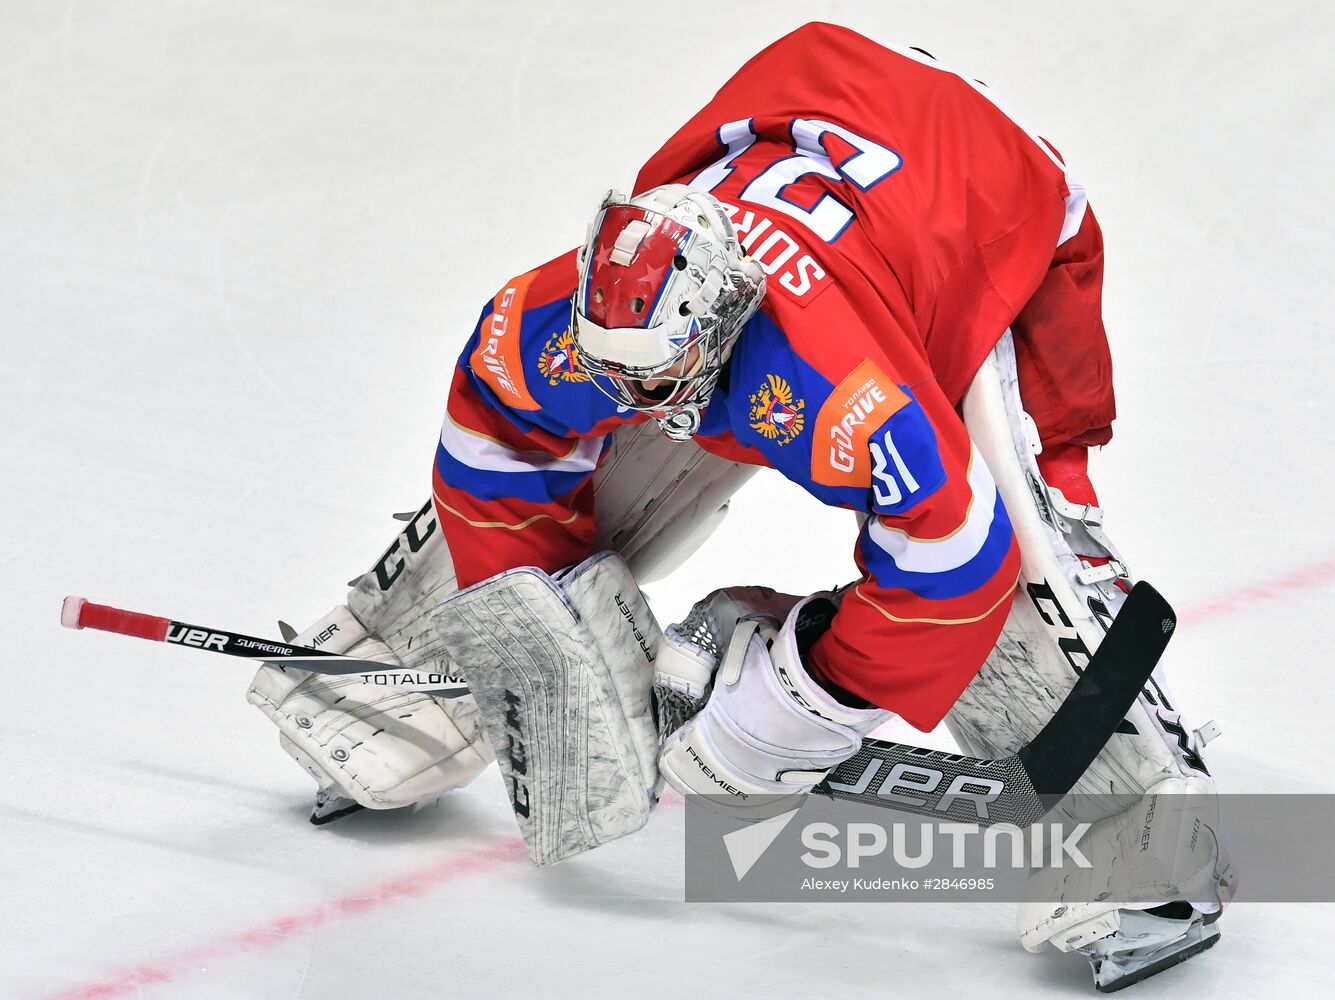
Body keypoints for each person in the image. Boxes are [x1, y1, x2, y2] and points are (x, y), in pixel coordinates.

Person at [247, 23, 1231, 991]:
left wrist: (806, 698)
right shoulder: (561, 314)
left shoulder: (832, 382)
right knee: (567, 448)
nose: (638, 399)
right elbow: (491, 442)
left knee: (1014, 533)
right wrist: (526, 631)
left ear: (732, 316)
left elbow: (951, 556)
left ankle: (1140, 822)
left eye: (658, 377)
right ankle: (400, 675)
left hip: (986, 198)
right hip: (815, 104)